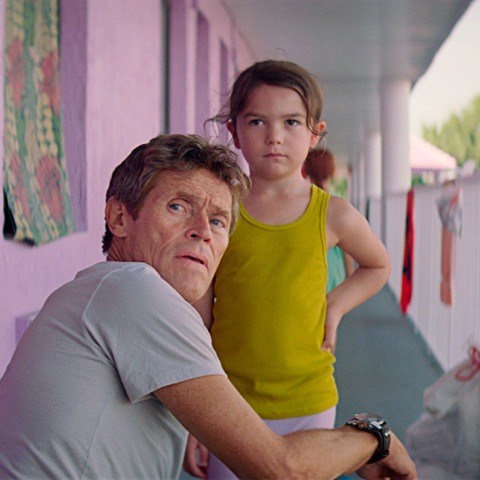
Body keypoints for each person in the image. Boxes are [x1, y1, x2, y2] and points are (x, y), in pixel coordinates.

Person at [0, 133, 416, 480]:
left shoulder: (104, 290)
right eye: (178, 207)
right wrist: (375, 439)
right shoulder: (135, 290)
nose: (203, 231)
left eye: (218, 221)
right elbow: (281, 469)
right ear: (119, 217)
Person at [185, 60, 392, 479]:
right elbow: (198, 316)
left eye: (291, 122)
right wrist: (196, 415)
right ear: (234, 131)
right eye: (257, 121)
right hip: (230, 403)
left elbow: (377, 265)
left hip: (310, 400)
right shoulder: (220, 211)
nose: (274, 136)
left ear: (315, 133)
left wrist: (334, 306)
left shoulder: (333, 214)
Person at [303, 147, 355, 292]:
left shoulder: (298, 204)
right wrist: (350, 276)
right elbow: (348, 249)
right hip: (334, 273)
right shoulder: (337, 206)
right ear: (332, 173)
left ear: (306, 170)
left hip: (306, 275)